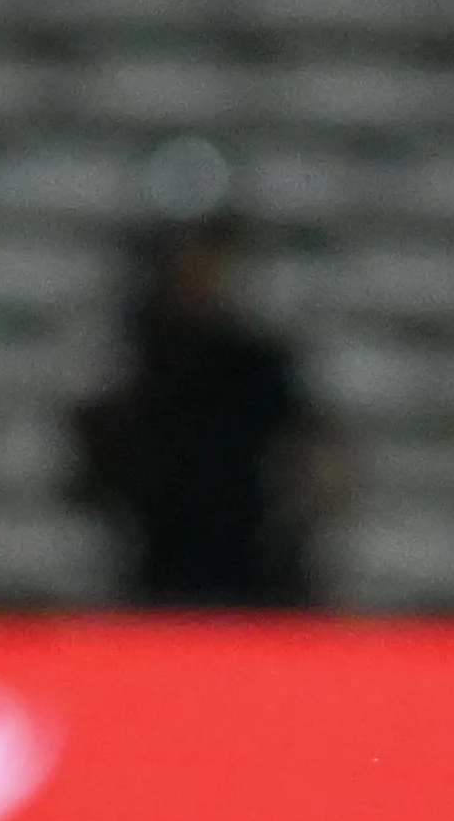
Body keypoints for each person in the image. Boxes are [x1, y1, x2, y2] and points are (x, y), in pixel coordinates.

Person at [66, 214, 331, 606]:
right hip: (159, 564)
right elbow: (93, 467)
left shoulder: (255, 364)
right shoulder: (137, 360)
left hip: (249, 563)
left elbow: (313, 456)